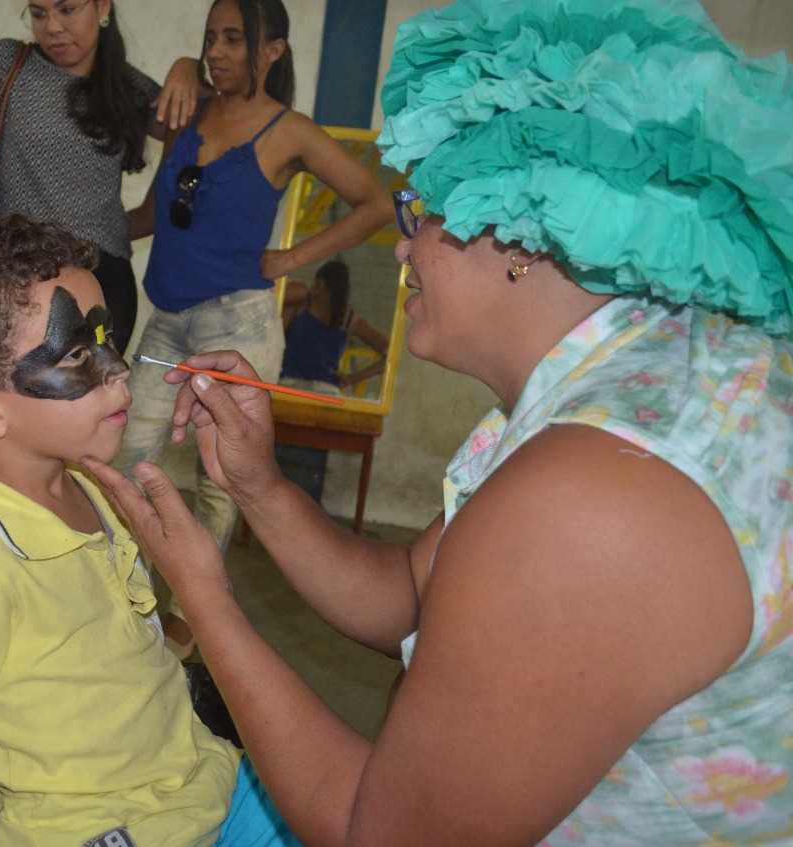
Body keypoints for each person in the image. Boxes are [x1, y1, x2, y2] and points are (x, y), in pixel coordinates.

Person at [84, 0, 793, 843]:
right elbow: (411, 597)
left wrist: (203, 595)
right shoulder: (615, 379)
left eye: (420, 213)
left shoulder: (596, 495)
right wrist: (259, 486)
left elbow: (379, 831)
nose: (399, 246)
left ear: (523, 232)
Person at [0, 214, 298, 846]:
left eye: (108, 340)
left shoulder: (87, 483)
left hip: (197, 778)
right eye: (77, 353)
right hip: (99, 827)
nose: (117, 370)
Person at [119, 0, 393, 652]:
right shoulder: (189, 108)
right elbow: (158, 208)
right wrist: (184, 65)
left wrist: (294, 258)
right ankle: (128, 599)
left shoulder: (287, 130)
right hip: (166, 322)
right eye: (210, 38)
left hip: (236, 328)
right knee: (128, 460)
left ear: (272, 49)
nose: (217, 51)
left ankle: (192, 615)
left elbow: (376, 201)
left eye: (234, 40)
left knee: (221, 483)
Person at [0, 0, 201, 355]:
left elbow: (202, 123)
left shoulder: (130, 88)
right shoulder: (7, 63)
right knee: (11, 397)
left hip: (102, 280)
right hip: (16, 276)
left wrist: (190, 69)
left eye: (67, 9)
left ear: (102, 7)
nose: (53, 27)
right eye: (39, 13)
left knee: (89, 401)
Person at [274, 259, 389, 502]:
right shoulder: (347, 318)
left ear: (321, 284)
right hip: (324, 397)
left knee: (283, 458)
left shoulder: (302, 307)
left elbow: (275, 334)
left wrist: (352, 377)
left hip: (290, 390)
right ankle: (305, 506)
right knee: (312, 459)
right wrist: (352, 379)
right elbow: (390, 353)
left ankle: (285, 505)